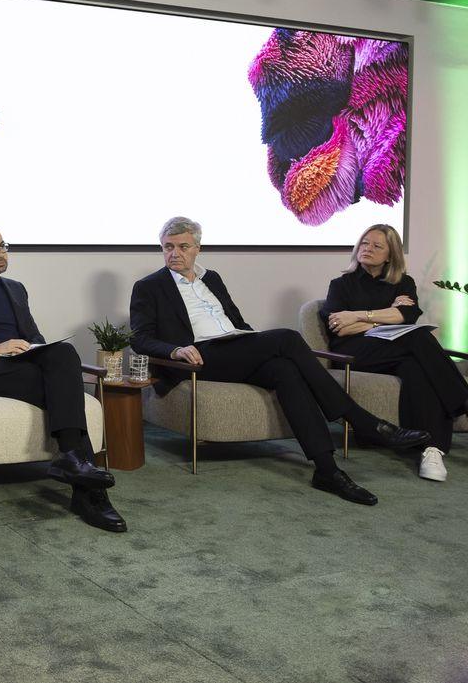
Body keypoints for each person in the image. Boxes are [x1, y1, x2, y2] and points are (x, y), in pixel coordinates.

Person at [129, 216, 429, 505]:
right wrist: (175, 350)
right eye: (168, 247)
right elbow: (140, 338)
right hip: (197, 356)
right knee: (286, 338)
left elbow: (236, 322)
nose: (175, 253)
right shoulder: (149, 286)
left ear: (197, 248)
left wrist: (254, 342)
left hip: (233, 347)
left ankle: (327, 470)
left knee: (285, 370)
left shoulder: (213, 279)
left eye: (183, 246)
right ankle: (362, 421)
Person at [0, 225, 127, 532]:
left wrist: (36, 348)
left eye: (2, 246)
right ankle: (91, 493)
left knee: (63, 354)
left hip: (18, 365)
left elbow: (34, 335)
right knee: (63, 388)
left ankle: (72, 460)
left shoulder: (16, 288)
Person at [322, 224, 468, 481]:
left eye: (377, 246)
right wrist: (388, 315)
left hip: (394, 350)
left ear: (390, 255)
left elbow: (407, 316)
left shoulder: (403, 283)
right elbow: (339, 328)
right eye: (364, 243)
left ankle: (430, 449)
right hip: (354, 353)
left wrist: (358, 316)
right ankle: (463, 401)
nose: (367, 248)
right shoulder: (341, 285)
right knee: (418, 337)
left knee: (415, 367)